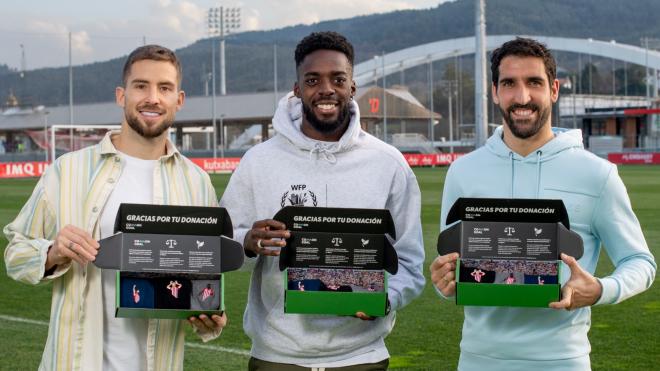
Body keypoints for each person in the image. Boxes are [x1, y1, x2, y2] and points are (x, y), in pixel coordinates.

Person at [430, 37, 656, 370]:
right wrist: (443, 283)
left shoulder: (597, 174)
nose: (522, 97)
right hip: (478, 361)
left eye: (534, 82)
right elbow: (450, 271)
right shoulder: (463, 172)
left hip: (563, 361)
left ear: (554, 89)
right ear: (495, 92)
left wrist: (600, 289)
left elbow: (640, 261)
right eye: (509, 84)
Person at [4, 45, 226, 371]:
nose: (152, 97)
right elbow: (15, 253)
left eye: (164, 88)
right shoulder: (68, 171)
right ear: (121, 95)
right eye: (141, 86)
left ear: (178, 100)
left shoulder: (197, 183)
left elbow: (202, 278)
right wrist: (52, 252)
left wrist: (209, 316)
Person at [220, 31, 425, 370]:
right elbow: (221, 245)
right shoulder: (259, 161)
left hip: (362, 356)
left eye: (338, 79)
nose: (326, 89)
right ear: (297, 89)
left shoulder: (388, 163)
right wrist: (248, 241)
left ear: (352, 87)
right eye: (313, 79)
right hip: (277, 357)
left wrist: (386, 298)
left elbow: (410, 261)